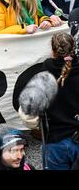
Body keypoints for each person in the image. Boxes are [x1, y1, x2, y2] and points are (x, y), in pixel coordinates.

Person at [19, 31, 79, 170]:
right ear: (73, 48)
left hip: (56, 140)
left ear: (53, 51)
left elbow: (28, 115)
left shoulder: (44, 75)